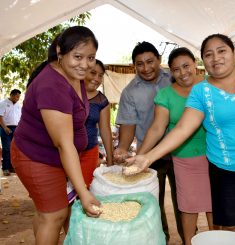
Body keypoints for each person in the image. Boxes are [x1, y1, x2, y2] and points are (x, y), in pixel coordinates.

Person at [125, 34, 235, 245]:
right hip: (225, 171)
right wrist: (147, 158)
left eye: (222, 51)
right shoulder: (201, 91)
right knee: (230, 229)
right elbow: (183, 128)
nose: (216, 58)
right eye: (209, 54)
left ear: (233, 52)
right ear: (203, 60)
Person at [11, 26, 101, 244]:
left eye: (90, 58)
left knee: (46, 214)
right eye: (77, 56)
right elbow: (64, 144)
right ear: (60, 51)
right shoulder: (52, 86)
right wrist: (83, 191)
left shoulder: (72, 74)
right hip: (36, 157)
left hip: (52, 158)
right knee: (55, 215)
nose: (85, 64)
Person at [137, 47, 214, 245]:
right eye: (176, 69)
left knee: (215, 206)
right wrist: (141, 156)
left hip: (215, 157)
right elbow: (156, 128)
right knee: (188, 207)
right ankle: (188, 242)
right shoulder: (165, 95)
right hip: (184, 159)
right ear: (170, 72)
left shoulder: (211, 84)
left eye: (186, 66)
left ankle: (217, 240)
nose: (183, 72)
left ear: (195, 63)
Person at [113, 41, 184, 243]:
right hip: (150, 155)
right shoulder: (129, 92)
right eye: (140, 64)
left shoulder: (174, 78)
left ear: (159, 60)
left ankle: (189, 237)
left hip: (182, 151)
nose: (146, 68)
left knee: (184, 201)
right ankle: (162, 238)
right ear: (134, 66)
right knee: (153, 202)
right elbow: (128, 125)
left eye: (150, 61)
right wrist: (123, 149)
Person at [81, 59, 113, 188]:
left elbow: (105, 130)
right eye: (93, 73)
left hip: (89, 152)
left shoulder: (102, 101)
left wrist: (110, 160)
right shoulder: (69, 93)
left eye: (100, 75)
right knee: (63, 193)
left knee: (85, 189)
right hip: (63, 152)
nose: (96, 78)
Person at [0, 89, 22, 176]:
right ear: (12, 95)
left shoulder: (18, 105)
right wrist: (4, 127)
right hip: (5, 128)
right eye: (17, 96)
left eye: (19, 97)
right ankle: (5, 168)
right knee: (6, 148)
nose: (18, 98)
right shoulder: (3, 103)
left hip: (16, 128)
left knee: (14, 149)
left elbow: (20, 117)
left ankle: (12, 167)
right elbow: (0, 116)